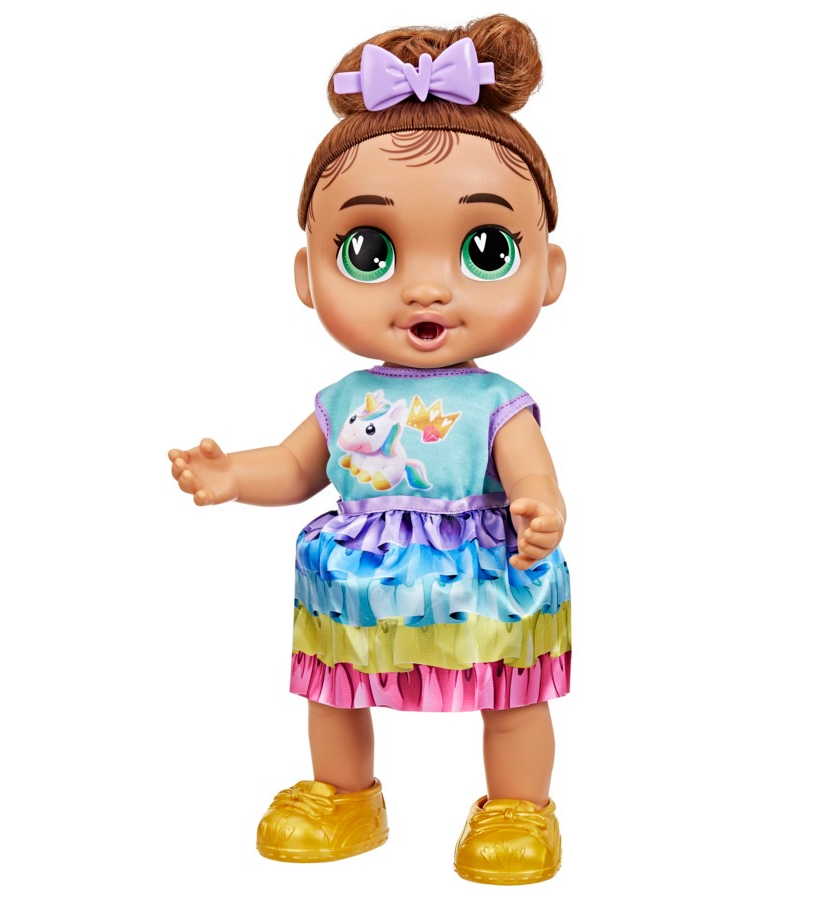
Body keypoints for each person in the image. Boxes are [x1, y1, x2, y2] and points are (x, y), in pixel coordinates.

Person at [169, 13, 570, 886]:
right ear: (308, 275)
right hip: (360, 577)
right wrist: (235, 474)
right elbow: (298, 466)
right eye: (370, 250)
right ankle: (346, 794)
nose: (426, 286)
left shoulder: (498, 402)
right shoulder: (345, 399)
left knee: (512, 695)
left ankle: (519, 805)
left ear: (549, 271)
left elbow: (530, 470)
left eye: (485, 249)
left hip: (481, 574)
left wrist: (539, 507)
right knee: (334, 688)